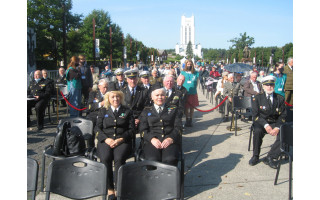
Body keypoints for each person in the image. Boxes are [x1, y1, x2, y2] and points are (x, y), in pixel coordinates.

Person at [96, 90, 135, 200]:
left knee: (119, 158)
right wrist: (105, 139)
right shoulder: (103, 111)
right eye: (112, 97)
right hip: (106, 140)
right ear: (108, 98)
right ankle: (110, 189)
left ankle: (119, 188)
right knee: (105, 158)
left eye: (117, 97)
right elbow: (97, 128)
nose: (115, 99)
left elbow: (132, 130)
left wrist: (121, 139)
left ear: (121, 98)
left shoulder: (127, 111)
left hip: (122, 140)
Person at [249, 75, 287, 168]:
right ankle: (256, 156)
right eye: (267, 85)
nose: (269, 87)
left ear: (274, 86)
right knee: (257, 131)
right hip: (262, 122)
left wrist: (277, 127)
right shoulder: (257, 98)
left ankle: (270, 156)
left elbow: (283, 115)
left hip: (274, 122)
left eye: (271, 85)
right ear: (263, 86)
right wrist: (266, 125)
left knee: (284, 132)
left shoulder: (280, 98)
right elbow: (255, 115)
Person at [139, 88, 182, 166]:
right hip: (152, 142)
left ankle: (169, 178)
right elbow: (142, 129)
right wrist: (152, 139)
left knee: (170, 159)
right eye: (157, 95)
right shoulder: (146, 111)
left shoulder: (173, 109)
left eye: (162, 95)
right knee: (152, 160)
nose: (159, 97)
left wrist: (170, 138)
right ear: (152, 97)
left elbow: (178, 127)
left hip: (169, 140)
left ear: (166, 96)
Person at [86, 79, 109, 147]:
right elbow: (89, 107)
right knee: (90, 122)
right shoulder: (93, 94)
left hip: (106, 114)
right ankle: (90, 147)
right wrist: (100, 104)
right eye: (104, 87)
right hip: (95, 114)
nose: (106, 89)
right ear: (99, 86)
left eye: (107, 87)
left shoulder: (110, 94)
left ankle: (103, 145)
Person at [180, 59, 199, 127]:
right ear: (186, 65)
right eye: (188, 64)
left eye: (190, 64)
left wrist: (194, 88)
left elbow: (197, 82)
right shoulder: (183, 72)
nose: (189, 65)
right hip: (185, 92)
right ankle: (187, 119)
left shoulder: (196, 73)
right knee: (186, 107)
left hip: (193, 92)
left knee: (192, 107)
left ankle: (190, 119)